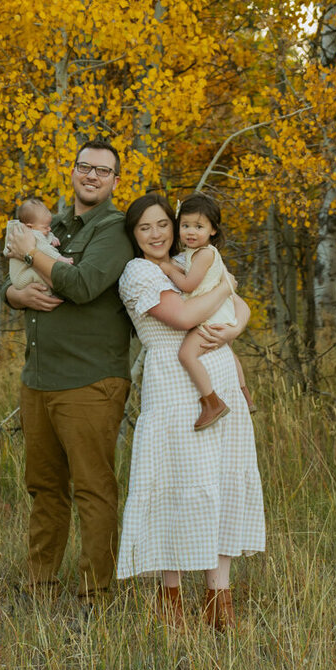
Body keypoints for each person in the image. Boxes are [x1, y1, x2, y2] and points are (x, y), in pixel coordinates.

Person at [116, 193, 265, 631]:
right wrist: (225, 286)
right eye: (146, 228)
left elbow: (239, 309)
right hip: (173, 382)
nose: (158, 233)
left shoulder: (190, 259)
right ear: (134, 235)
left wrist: (235, 324)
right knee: (179, 484)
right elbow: (183, 317)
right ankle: (171, 603)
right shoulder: (138, 272)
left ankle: (219, 604)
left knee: (221, 482)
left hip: (216, 370)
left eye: (164, 224)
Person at [3, 143, 132, 604]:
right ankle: (40, 587)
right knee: (44, 488)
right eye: (84, 167)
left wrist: (33, 255)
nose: (91, 176)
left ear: (116, 181)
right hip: (38, 378)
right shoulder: (52, 225)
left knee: (93, 490)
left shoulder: (114, 231)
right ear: (72, 172)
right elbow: (15, 276)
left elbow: (80, 285)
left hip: (90, 382)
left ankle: (95, 595)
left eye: (103, 170)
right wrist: (14, 296)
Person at [156, 192, 253, 429]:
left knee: (186, 355)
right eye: (185, 225)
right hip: (219, 312)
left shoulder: (205, 254)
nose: (190, 231)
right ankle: (244, 395)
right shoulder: (197, 253)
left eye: (198, 226)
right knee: (229, 353)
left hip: (212, 316)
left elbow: (189, 284)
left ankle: (212, 402)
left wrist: (168, 269)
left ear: (212, 230)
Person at [4, 196, 72, 295]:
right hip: (22, 277)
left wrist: (51, 237)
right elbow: (45, 249)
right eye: (45, 227)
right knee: (42, 275)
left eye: (49, 226)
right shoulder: (32, 235)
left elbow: (44, 236)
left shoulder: (28, 230)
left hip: (19, 275)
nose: (49, 229)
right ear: (29, 226)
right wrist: (61, 259)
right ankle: (48, 294)